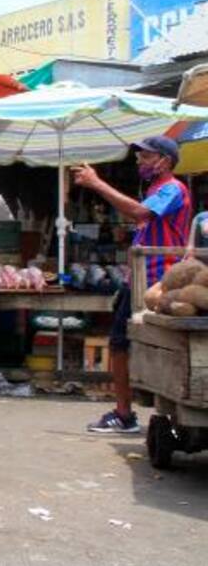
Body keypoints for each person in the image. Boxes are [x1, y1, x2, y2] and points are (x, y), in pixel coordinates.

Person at [74, 135, 191, 435]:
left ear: (165, 161)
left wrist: (97, 184)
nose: (139, 161)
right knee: (121, 342)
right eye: (139, 156)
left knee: (128, 344)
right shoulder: (155, 189)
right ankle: (126, 411)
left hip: (157, 280)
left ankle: (125, 414)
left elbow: (139, 213)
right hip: (139, 277)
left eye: (147, 156)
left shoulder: (172, 189)